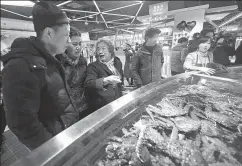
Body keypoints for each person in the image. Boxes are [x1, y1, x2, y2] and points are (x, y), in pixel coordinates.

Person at [1, 1, 79, 150]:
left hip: (65, 136)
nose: (69, 42)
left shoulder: (51, 59)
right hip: (55, 147)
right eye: (66, 36)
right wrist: (53, 150)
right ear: (49, 33)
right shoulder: (20, 66)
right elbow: (23, 123)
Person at [85, 39, 124, 113]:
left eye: (103, 48)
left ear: (110, 50)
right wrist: (105, 80)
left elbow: (121, 80)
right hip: (102, 106)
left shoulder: (118, 63)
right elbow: (88, 83)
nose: (100, 51)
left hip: (117, 102)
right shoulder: (93, 66)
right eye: (98, 49)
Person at [56, 26, 87, 115]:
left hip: (83, 108)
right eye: (74, 44)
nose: (78, 47)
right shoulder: (58, 63)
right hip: (66, 113)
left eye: (80, 43)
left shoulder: (82, 61)